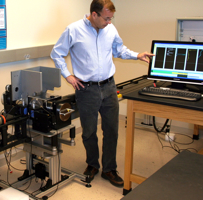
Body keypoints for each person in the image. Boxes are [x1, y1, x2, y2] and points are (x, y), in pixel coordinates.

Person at [50, 0, 154, 187]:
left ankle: (109, 169)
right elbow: (57, 53)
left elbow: (119, 50)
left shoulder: (110, 29)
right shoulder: (73, 30)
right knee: (89, 131)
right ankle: (92, 165)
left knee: (111, 130)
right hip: (86, 89)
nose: (109, 22)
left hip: (108, 87)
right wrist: (68, 76)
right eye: (106, 18)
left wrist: (136, 54)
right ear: (94, 14)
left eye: (111, 18)